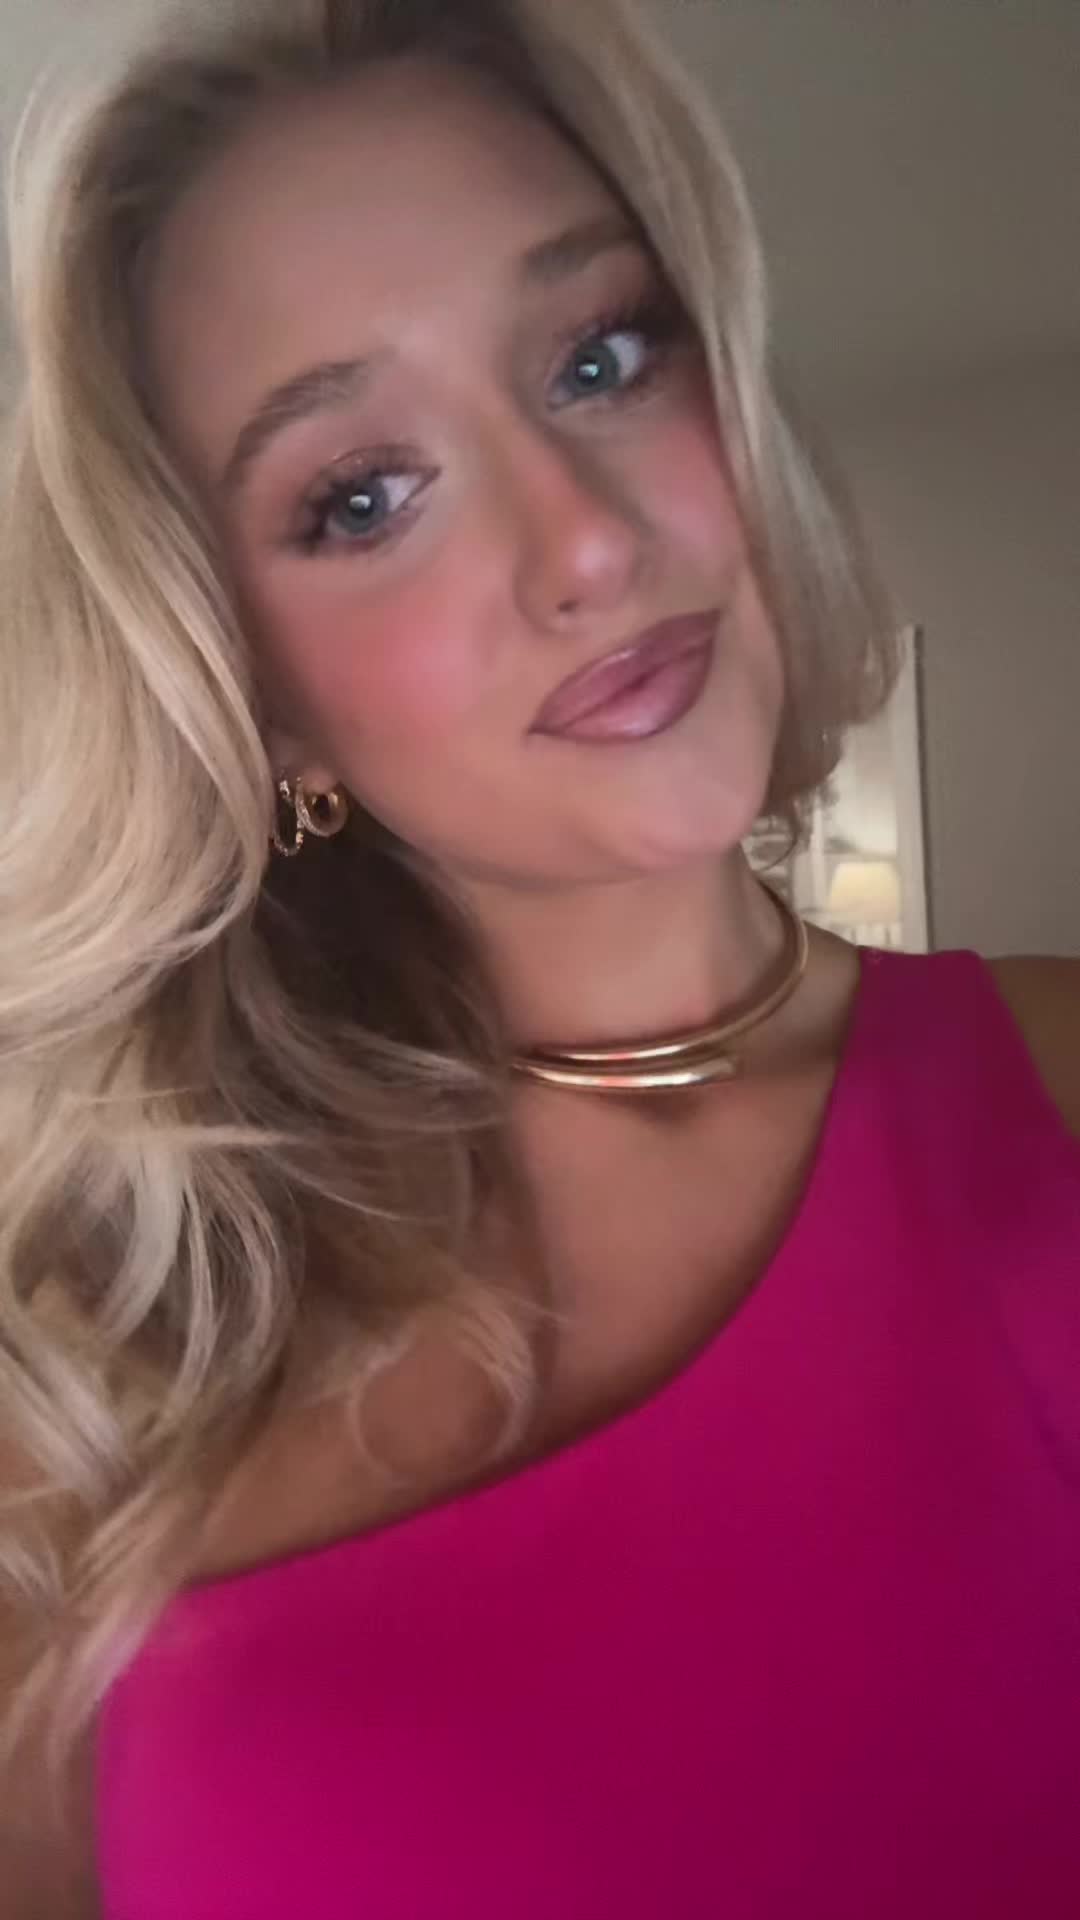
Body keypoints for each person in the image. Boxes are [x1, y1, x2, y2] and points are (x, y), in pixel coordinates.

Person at [1, 0, 1078, 1912]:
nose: (585, 542)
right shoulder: (86, 1364)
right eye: (360, 495)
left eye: (600, 355)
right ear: (254, 699)